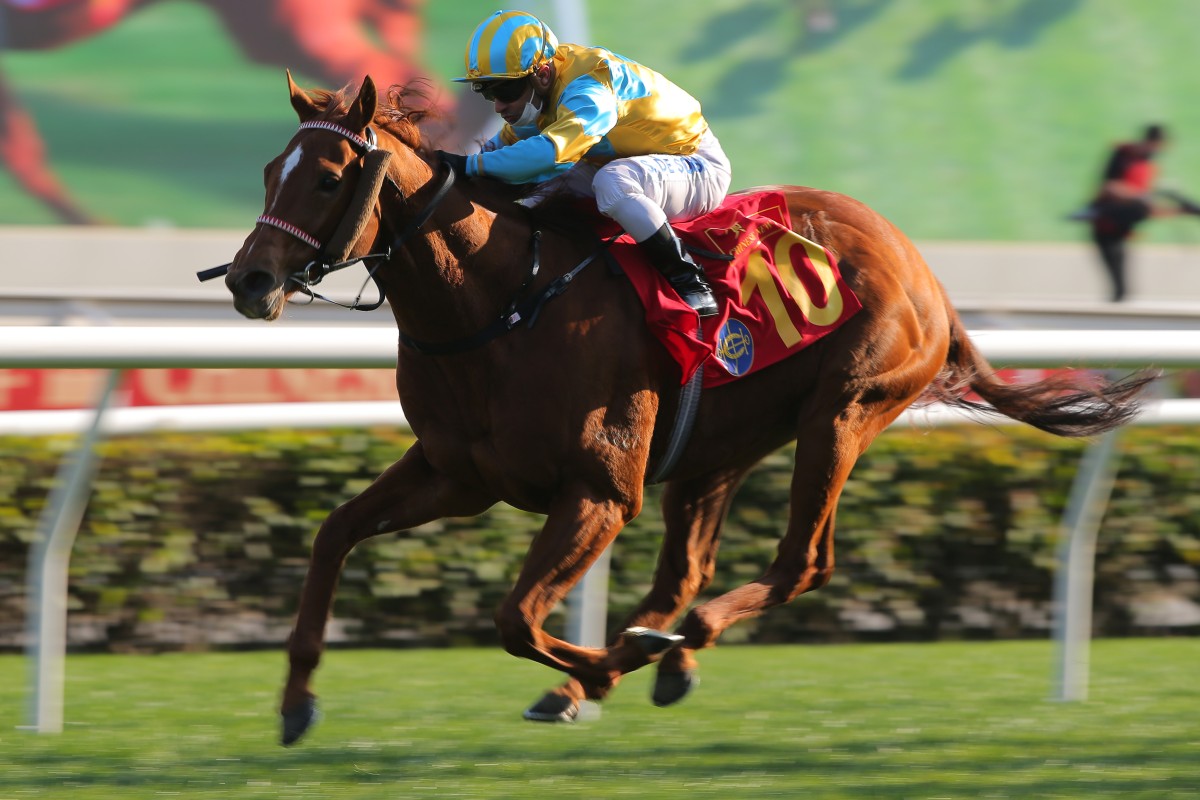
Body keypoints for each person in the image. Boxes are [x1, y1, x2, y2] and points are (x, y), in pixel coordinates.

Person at [436, 9, 732, 317]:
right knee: (534, 197)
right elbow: (497, 159)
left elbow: (551, 154)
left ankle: (692, 283)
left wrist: (470, 166)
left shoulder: (588, 88)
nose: (498, 106)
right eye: (486, 92)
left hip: (696, 164)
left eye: (505, 90)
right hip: (630, 163)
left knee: (611, 183)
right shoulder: (538, 94)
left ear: (543, 74)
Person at [1081, 124, 1199, 301]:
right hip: (1106, 225)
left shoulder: (1146, 165)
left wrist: (1181, 211)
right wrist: (1139, 196)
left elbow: (1149, 209)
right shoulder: (1124, 156)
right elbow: (1110, 187)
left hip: (1121, 228)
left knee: (1123, 289)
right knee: (1120, 288)